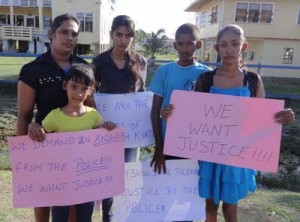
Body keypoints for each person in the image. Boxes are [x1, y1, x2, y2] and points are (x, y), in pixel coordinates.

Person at [161, 24, 295, 222]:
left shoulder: (252, 81)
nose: (229, 50)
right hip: (210, 154)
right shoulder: (205, 80)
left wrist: (282, 117)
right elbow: (194, 116)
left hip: (237, 156)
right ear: (216, 48)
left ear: (244, 46)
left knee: (231, 209)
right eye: (224, 45)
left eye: (235, 44)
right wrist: (173, 114)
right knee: (210, 206)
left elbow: (262, 117)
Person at [17, 13, 87, 222]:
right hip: (43, 143)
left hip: (76, 146)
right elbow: (24, 115)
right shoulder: (33, 70)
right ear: (51, 34)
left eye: (74, 34)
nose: (69, 38)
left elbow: (91, 108)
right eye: (64, 32)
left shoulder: (84, 68)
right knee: (43, 198)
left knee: (74, 200)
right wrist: (23, 155)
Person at [42, 63, 116, 222]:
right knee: (59, 217)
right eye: (74, 86)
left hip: (86, 180)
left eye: (84, 88)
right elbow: (40, 139)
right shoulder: (54, 116)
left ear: (91, 90)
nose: (78, 93)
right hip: (60, 179)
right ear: (65, 85)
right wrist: (34, 126)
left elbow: (101, 139)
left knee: (85, 217)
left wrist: (108, 128)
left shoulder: (93, 115)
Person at [92, 15, 147, 222]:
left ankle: (125, 216)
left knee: (127, 175)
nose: (123, 40)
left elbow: (142, 94)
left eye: (128, 35)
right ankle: (108, 216)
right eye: (119, 35)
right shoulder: (99, 62)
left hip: (131, 133)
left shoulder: (140, 61)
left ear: (133, 37)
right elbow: (92, 95)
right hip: (106, 129)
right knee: (108, 175)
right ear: (111, 35)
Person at [149, 23, 210, 175]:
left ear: (199, 44)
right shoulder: (165, 71)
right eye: (181, 44)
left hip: (196, 144)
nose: (184, 49)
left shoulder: (207, 75)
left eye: (190, 43)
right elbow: (155, 112)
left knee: (192, 192)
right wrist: (159, 146)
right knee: (167, 188)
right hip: (168, 143)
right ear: (175, 45)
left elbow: (211, 112)